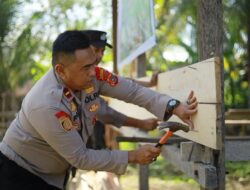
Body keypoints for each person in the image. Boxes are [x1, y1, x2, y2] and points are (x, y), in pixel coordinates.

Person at [0, 30, 198, 190]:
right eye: (86, 67)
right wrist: (132, 156)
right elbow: (81, 157)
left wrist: (173, 106)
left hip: (54, 172)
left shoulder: (91, 73)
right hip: (19, 174)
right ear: (61, 70)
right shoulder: (46, 104)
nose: (94, 72)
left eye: (94, 63)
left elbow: (131, 91)